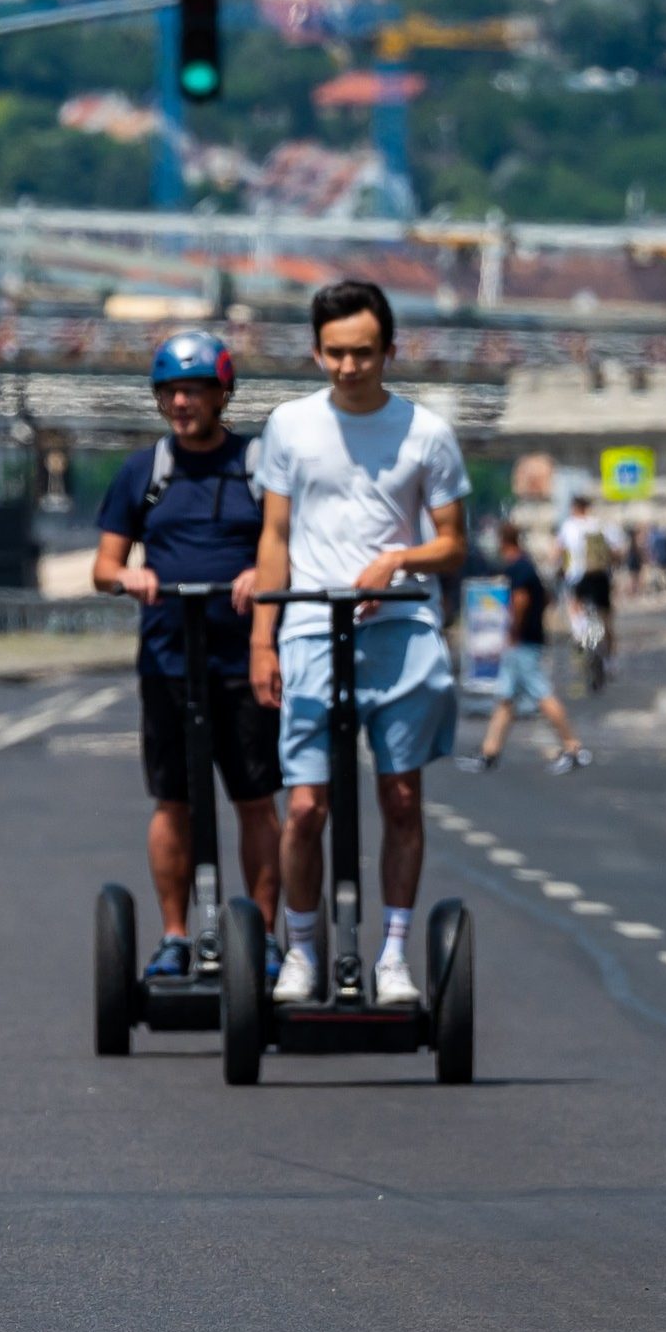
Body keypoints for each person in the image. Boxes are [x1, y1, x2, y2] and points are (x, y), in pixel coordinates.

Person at [249, 282, 469, 1009]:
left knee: (400, 797)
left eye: (363, 354)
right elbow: (275, 537)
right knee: (306, 805)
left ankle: (395, 955)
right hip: (312, 625)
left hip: (401, 629)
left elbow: (451, 545)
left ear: (389, 351)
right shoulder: (287, 426)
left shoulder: (426, 432)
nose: (348, 368)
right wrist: (262, 640)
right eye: (335, 354)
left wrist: (396, 560)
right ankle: (303, 951)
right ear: (315, 351)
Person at [92, 329, 280, 981]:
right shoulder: (144, 472)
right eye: (169, 391)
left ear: (221, 393)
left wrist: (264, 574)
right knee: (172, 800)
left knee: (254, 799)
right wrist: (128, 578)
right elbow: (103, 564)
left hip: (245, 663)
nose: (179, 402)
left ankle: (260, 936)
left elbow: (288, 543)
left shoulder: (258, 468)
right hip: (169, 662)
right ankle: (176, 936)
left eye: (193, 390)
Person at [459, 523, 590, 775]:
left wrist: (513, 631)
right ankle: (489, 752)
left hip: (522, 642)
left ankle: (573, 747)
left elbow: (520, 601)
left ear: (502, 541)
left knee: (542, 694)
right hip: (525, 640)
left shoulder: (518, 567)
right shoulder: (526, 565)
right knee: (505, 699)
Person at [557, 489, 618, 676]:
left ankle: (581, 635)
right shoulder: (600, 525)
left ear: (574, 508)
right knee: (606, 618)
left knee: (574, 606)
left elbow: (558, 551)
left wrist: (561, 567)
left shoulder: (569, 526)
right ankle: (609, 661)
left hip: (577, 578)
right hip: (600, 577)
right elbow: (617, 551)